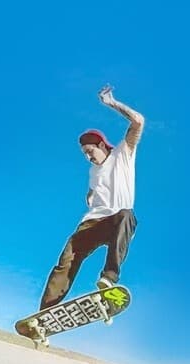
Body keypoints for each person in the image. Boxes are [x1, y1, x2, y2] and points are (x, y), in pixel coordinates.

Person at [37, 84, 145, 310]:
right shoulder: (93, 172)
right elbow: (99, 184)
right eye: (84, 154)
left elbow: (138, 122)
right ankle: (44, 313)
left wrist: (112, 103)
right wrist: (91, 193)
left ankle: (109, 278)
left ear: (101, 145)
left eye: (90, 152)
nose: (88, 158)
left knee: (127, 215)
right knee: (66, 260)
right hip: (91, 224)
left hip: (116, 222)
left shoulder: (123, 154)